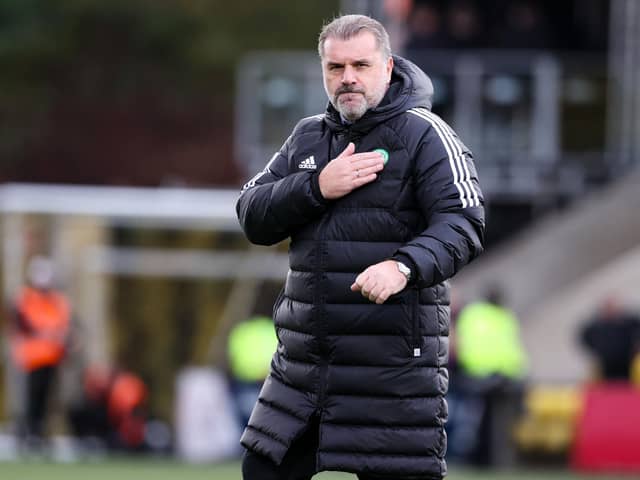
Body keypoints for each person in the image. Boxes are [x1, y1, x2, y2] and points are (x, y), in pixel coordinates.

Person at [235, 14, 484, 480]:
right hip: (305, 370)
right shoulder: (307, 136)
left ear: (387, 68)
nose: (347, 78)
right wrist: (314, 187)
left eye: (360, 65)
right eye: (335, 68)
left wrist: (403, 267)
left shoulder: (426, 134)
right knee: (261, 471)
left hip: (390, 375)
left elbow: (464, 222)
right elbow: (251, 212)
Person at [8, 255, 75, 449]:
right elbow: (24, 324)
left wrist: (65, 338)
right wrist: (49, 333)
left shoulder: (58, 301)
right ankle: (27, 434)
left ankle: (40, 433)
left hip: (52, 358)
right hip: (30, 359)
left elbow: (66, 326)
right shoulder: (26, 298)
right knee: (29, 399)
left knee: (47, 401)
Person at [580, 296, 640, 381]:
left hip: (627, 361)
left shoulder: (629, 322)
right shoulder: (597, 325)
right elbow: (585, 337)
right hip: (606, 363)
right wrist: (597, 350)